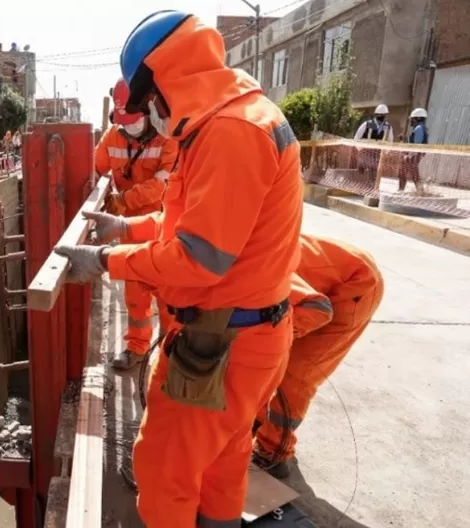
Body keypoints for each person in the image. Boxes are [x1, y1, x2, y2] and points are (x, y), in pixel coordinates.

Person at [53, 11, 303, 526]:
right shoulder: (230, 120)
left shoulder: (231, 132)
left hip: (220, 347)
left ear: (165, 81)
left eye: (147, 103)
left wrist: (104, 261)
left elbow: (197, 258)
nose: (152, 115)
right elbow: (184, 223)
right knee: (220, 469)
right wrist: (126, 229)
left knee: (165, 474)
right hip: (248, 338)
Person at [254, 234, 383, 479]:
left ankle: (274, 452)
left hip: (355, 286)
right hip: (332, 269)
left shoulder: (253, 267)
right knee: (266, 359)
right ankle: (261, 422)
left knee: (296, 375)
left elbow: (317, 310)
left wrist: (268, 341)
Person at [93, 77, 178, 371]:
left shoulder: (169, 140)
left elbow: (162, 186)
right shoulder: (112, 138)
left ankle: (172, 348)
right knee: (135, 295)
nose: (129, 126)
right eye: (123, 121)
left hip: (163, 226)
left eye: (134, 120)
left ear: (150, 111)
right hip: (128, 229)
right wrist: (99, 196)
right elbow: (97, 171)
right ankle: (137, 347)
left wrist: (124, 200)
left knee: (169, 293)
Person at [400, 108, 429, 192]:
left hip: (416, 153)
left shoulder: (419, 128)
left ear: (417, 118)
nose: (411, 121)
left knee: (407, 171)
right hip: (416, 153)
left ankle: (419, 190)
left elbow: (417, 144)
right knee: (412, 172)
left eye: (412, 119)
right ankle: (420, 190)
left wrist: (408, 156)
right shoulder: (420, 127)